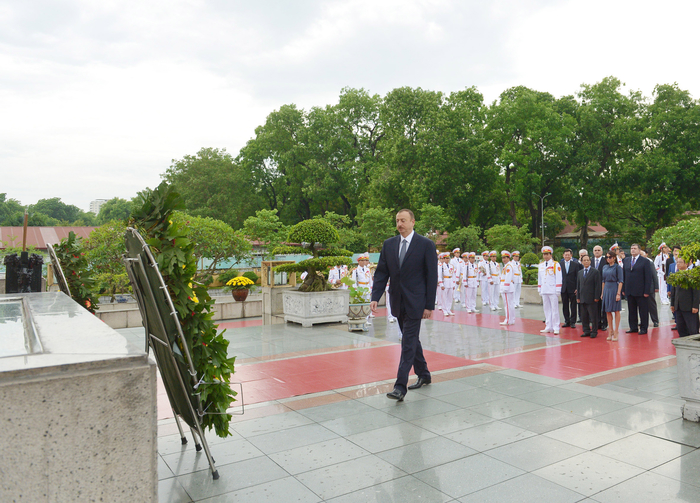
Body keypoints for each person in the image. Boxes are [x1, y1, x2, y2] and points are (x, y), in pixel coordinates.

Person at [371, 209, 438, 401]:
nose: (399, 224)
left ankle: (400, 387)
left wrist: (429, 305)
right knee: (412, 340)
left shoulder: (425, 245)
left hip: (416, 303)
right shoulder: (389, 244)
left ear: (413, 222)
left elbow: (432, 276)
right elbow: (382, 272)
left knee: (407, 343)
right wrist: (375, 296)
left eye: (403, 220)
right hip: (397, 301)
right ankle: (424, 374)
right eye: (397, 221)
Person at [622, 244, 654, 335]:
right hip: (629, 290)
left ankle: (644, 328)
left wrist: (647, 291)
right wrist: (624, 289)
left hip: (641, 291)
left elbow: (648, 277)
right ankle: (633, 327)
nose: (633, 250)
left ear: (639, 250)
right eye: (631, 248)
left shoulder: (645, 261)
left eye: (635, 248)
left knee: (643, 311)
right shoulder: (626, 260)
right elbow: (624, 275)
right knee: (631, 310)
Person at [670, 257, 700, 337]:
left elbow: (696, 292)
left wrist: (695, 306)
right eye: (677, 262)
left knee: (692, 329)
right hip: (678, 307)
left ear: (686, 264)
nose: (678, 264)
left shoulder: (692, 275)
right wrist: (672, 304)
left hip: (689, 307)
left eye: (680, 262)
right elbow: (674, 291)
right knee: (681, 329)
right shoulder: (676, 275)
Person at [538, 246, 562, 335]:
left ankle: (556, 327)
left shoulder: (555, 264)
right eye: (544, 254)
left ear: (551, 255)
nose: (545, 256)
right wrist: (539, 288)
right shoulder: (541, 265)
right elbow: (539, 278)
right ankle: (548, 326)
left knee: (554, 309)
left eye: (547, 254)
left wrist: (558, 289)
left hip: (552, 289)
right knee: (546, 309)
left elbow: (559, 277)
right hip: (544, 289)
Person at [576, 255, 602, 338]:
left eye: (588, 260)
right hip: (582, 298)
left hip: (592, 298)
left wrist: (597, 296)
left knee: (593, 316)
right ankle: (586, 330)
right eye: (584, 260)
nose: (586, 262)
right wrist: (578, 297)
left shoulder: (595, 272)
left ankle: (594, 331)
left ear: (590, 261)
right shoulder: (580, 272)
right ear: (582, 262)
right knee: (584, 316)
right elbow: (578, 285)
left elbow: (598, 285)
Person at [601, 251, 624, 341]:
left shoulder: (618, 267)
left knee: (616, 310)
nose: (608, 259)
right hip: (606, 289)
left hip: (614, 288)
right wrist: (602, 293)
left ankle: (616, 331)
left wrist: (618, 293)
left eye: (610, 257)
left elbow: (621, 281)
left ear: (614, 258)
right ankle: (610, 330)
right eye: (606, 257)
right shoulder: (604, 267)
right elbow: (603, 281)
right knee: (608, 311)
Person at [560, 249, 582, 328]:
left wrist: (577, 288)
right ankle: (567, 321)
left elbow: (578, 277)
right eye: (565, 255)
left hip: (573, 288)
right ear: (563, 255)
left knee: (573, 306)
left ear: (571, 255)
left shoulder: (575, 264)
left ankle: (573, 322)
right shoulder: (560, 264)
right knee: (565, 305)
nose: (567, 256)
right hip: (563, 288)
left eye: (568, 255)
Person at [352, 254, 374, 325]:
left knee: (367, 303)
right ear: (358, 261)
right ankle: (361, 319)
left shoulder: (367, 269)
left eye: (364, 260)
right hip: (360, 288)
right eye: (362, 260)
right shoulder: (355, 270)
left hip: (367, 287)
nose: (364, 262)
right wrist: (356, 290)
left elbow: (370, 279)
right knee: (361, 304)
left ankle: (366, 319)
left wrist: (371, 288)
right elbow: (354, 281)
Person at [640, 250, 660, 327]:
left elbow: (654, 275)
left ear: (645, 255)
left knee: (651, 305)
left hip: (650, 287)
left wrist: (656, 286)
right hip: (640, 288)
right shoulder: (637, 263)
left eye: (642, 255)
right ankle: (643, 321)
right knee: (642, 306)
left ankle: (655, 320)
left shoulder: (649, 262)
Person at [592, 245, 608, 331]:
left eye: (598, 250)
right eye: (595, 250)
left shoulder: (605, 261)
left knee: (604, 306)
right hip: (593, 287)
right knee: (595, 307)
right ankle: (597, 323)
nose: (597, 252)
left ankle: (604, 323)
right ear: (593, 252)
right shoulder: (590, 261)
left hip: (604, 286)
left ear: (602, 252)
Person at [499, 251, 516, 325]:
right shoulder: (507, 265)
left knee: (508, 305)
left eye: (505, 258)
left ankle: (508, 320)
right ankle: (511, 319)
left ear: (508, 258)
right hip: (508, 287)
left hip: (507, 287)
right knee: (510, 304)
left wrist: (505, 288)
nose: (503, 259)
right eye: (502, 258)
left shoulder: (508, 266)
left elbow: (508, 278)